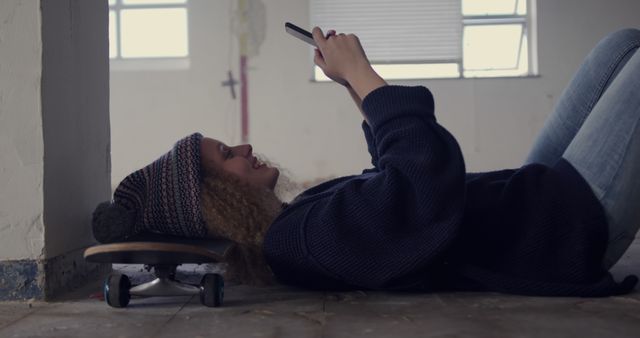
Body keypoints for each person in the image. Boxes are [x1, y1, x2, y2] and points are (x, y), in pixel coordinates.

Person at [93, 27, 640, 295]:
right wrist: (363, 76)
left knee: (621, 45)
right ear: (219, 196)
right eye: (226, 156)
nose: (243, 147)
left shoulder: (294, 221)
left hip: (530, 198)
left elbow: (388, 187)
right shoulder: (301, 243)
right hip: (563, 228)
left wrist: (353, 94)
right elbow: (421, 185)